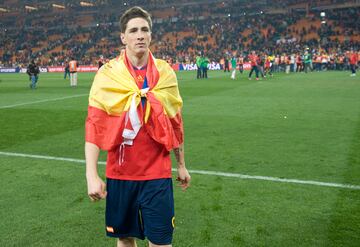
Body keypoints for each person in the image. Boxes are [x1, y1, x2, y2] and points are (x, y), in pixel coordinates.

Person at [85, 6, 191, 247]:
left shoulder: (165, 74)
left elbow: (176, 123)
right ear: (123, 37)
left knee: (161, 242)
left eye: (145, 29)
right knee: (124, 240)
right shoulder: (108, 75)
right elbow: (94, 125)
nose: (140, 35)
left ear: (151, 35)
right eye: (133, 30)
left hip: (158, 174)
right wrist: (91, 174)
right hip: (120, 175)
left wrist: (182, 165)